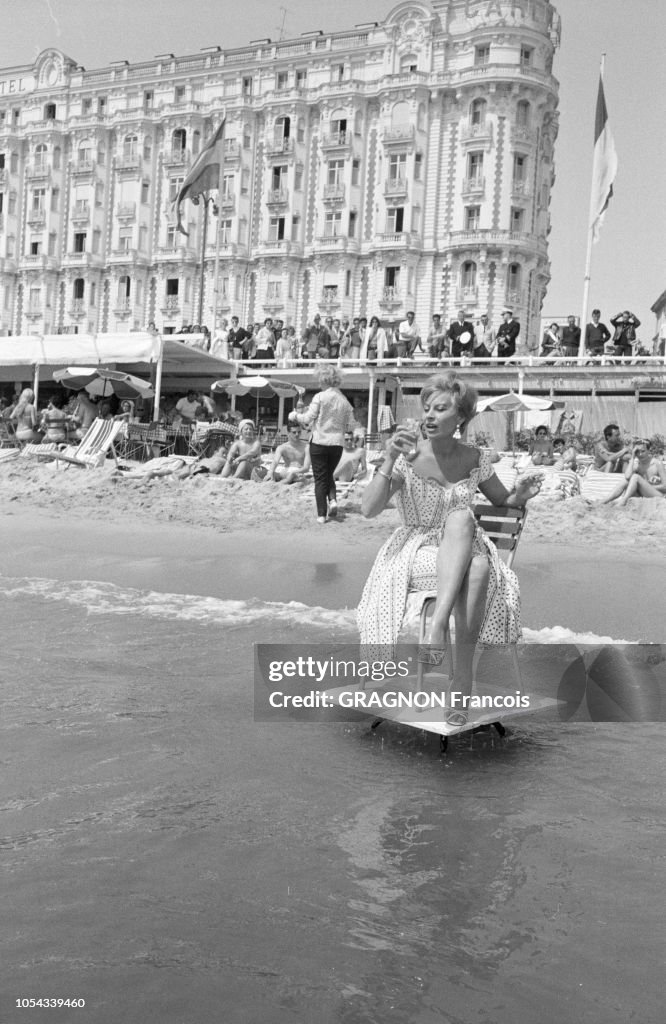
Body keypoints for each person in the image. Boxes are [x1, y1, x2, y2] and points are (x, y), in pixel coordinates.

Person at [358, 373, 542, 725]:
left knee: (469, 542)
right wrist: (387, 457)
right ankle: (460, 678)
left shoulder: (475, 458)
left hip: (464, 546)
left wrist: (521, 494)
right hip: (415, 551)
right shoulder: (406, 457)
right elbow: (368, 509)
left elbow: (502, 500)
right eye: (426, 408)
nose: (429, 415)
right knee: (467, 534)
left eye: (440, 409)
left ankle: (439, 625)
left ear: (460, 417)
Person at [289, 365, 356, 523]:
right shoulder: (344, 401)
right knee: (328, 474)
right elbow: (351, 425)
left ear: (324, 379)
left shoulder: (320, 397)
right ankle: (332, 500)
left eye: (320, 379)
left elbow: (307, 419)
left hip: (319, 441)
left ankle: (321, 514)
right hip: (337, 444)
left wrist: (294, 415)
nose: (319, 383)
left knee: (320, 478)